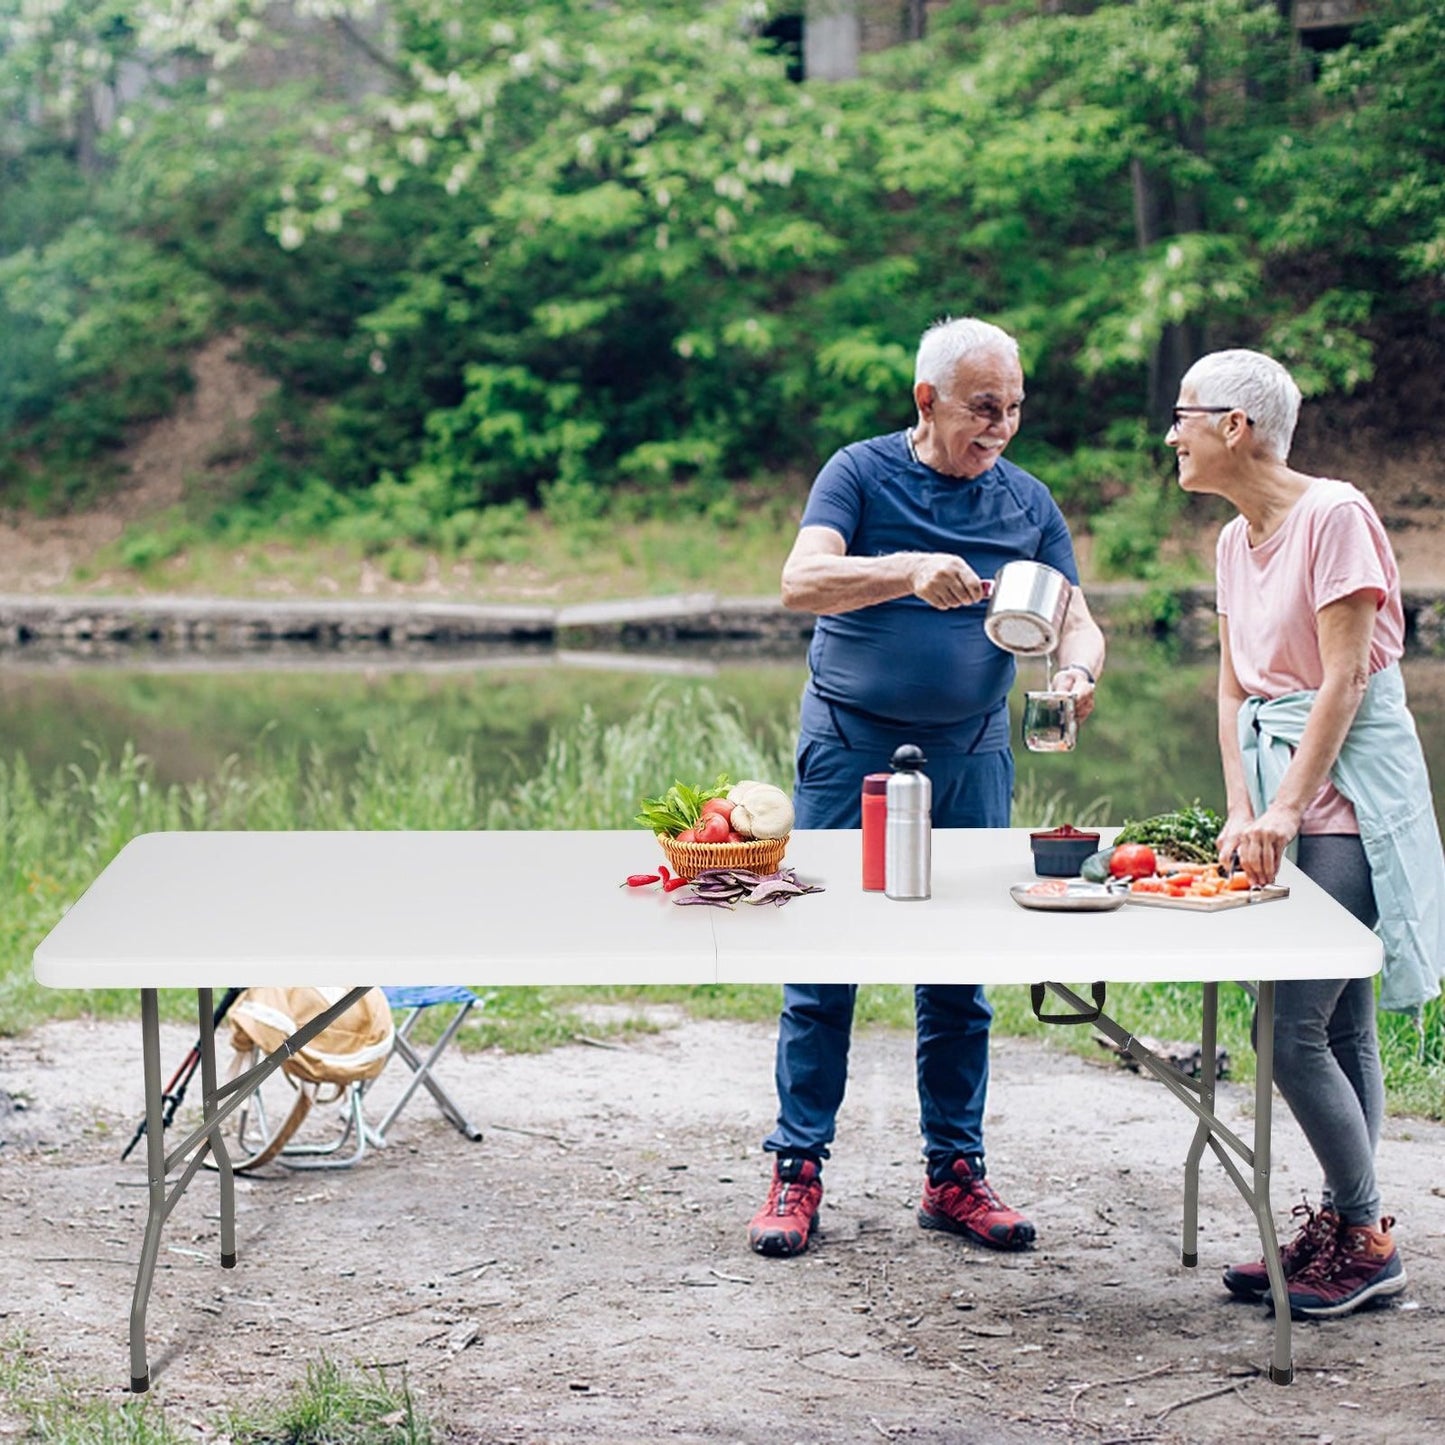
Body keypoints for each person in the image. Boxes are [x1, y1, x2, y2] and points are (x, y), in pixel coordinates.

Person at [747, 316, 1106, 1258]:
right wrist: (906, 569)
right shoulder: (858, 474)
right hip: (847, 743)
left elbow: (1074, 618)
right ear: (926, 399)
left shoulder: (1026, 502)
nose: (1000, 427)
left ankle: (954, 1174)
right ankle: (796, 1169)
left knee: (959, 965)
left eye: (1014, 409)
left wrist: (1077, 673)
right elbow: (799, 581)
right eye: (983, 407)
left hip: (971, 750)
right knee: (822, 954)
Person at [1167, 347, 1445, 1320]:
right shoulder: (1231, 541)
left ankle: (1362, 1234)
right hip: (1281, 787)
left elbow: (1343, 679)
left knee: (1287, 1031)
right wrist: (1240, 805)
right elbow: (1234, 681)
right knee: (1336, 1024)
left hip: (1349, 798)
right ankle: (1343, 1225)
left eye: (1183, 416)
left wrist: (1286, 805)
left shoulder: (1333, 515)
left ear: (1233, 427)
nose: (1172, 434)